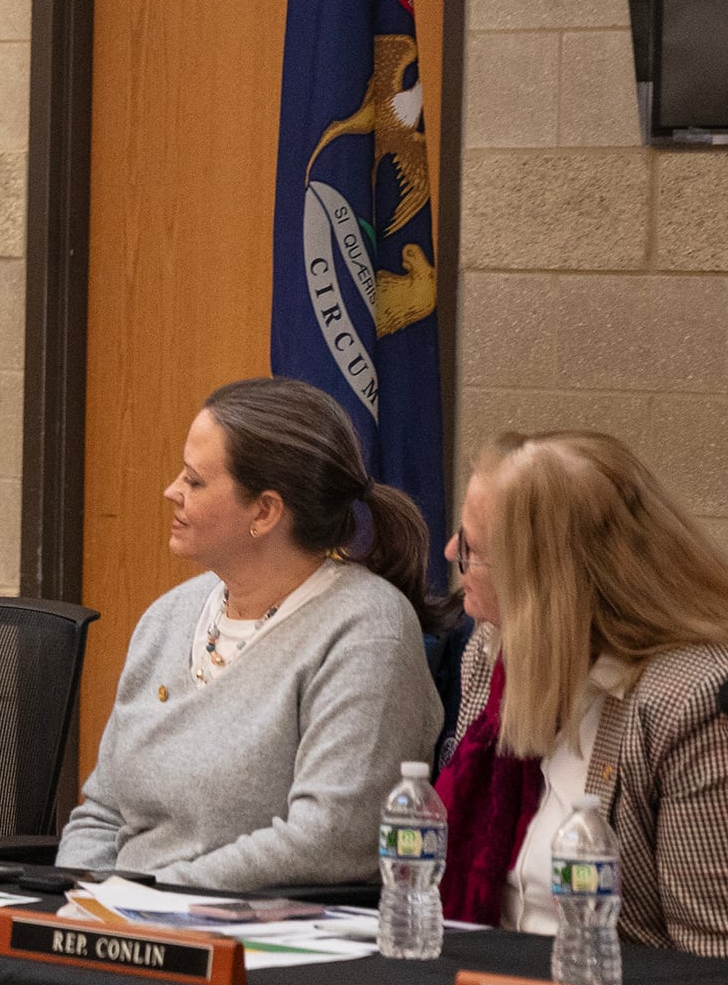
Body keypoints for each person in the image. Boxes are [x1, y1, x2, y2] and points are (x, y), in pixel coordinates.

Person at [57, 377, 442, 890]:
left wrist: (152, 900)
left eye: (194, 481)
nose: (171, 490)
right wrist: (78, 903)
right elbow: (101, 813)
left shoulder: (367, 629)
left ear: (264, 511)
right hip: (128, 920)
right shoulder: (167, 617)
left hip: (256, 941)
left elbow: (331, 838)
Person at [438, 431, 728, 961]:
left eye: (470, 548)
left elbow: (727, 963)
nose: (451, 553)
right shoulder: (495, 654)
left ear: (544, 583)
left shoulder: (700, 704)